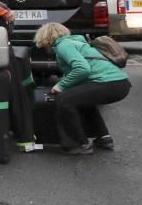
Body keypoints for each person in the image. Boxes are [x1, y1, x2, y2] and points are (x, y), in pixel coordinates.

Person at [33, 22, 130, 155]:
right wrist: (65, 84)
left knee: (64, 100)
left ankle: (78, 144)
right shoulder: (75, 43)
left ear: (46, 38)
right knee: (80, 99)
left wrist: (60, 85)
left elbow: (82, 69)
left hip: (110, 83)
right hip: (120, 83)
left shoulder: (63, 46)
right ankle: (103, 138)